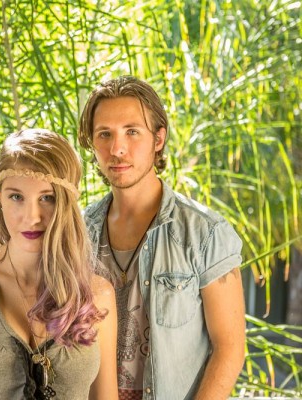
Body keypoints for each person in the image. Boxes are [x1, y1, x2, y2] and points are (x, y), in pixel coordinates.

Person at [78, 76, 246, 400]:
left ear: (158, 138)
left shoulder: (205, 233)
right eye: (104, 134)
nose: (117, 148)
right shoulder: (78, 232)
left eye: (132, 131)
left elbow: (229, 349)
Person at [0, 129, 119, 399]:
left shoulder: (98, 295)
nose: (31, 217)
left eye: (47, 198)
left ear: (69, 201)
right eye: (16, 197)